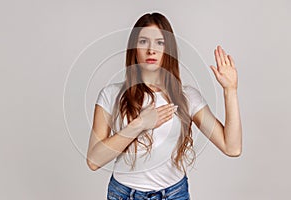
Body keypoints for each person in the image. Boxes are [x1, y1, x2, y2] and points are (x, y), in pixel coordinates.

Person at [86, 12, 242, 200]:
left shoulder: (187, 97)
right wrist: (140, 124)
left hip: (174, 194)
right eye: (143, 41)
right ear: (134, 48)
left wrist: (230, 90)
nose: (151, 50)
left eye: (159, 42)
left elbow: (231, 148)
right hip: (124, 194)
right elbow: (94, 161)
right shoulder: (111, 95)